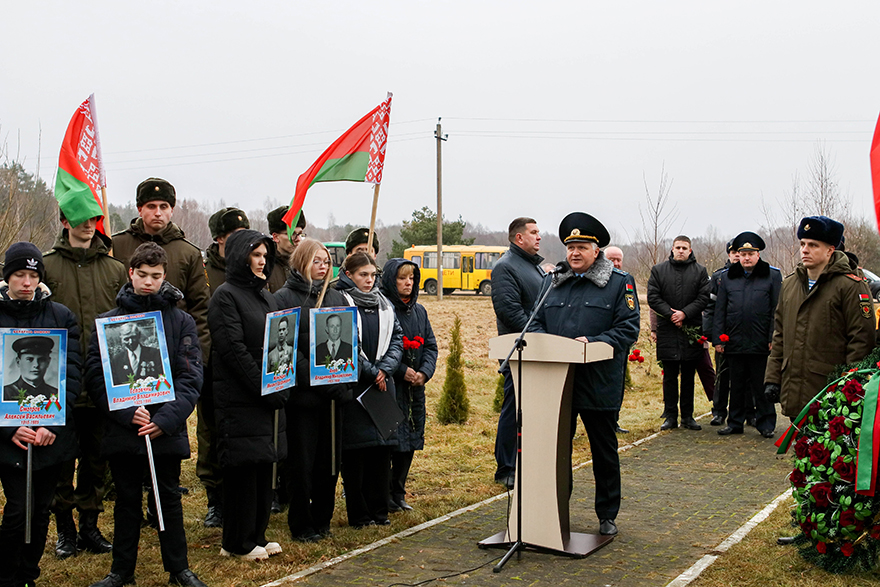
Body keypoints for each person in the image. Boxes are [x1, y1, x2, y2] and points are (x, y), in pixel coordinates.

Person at [85, 243, 206, 587]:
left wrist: (166, 420)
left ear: (164, 276)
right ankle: (121, 571)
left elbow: (190, 375)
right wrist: (126, 413)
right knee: (126, 499)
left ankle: (178, 568)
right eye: (142, 275)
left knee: (167, 495)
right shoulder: (108, 323)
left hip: (163, 426)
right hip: (126, 427)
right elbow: (97, 376)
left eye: (156, 276)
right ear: (131, 274)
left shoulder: (180, 320)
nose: (149, 282)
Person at [530, 213, 640, 537]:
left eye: (582, 247)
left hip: (598, 383)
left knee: (602, 451)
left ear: (596, 250)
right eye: (570, 247)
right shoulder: (552, 281)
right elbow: (534, 321)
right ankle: (554, 509)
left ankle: (607, 514)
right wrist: (544, 343)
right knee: (555, 451)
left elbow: (627, 329)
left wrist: (592, 343)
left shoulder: (620, 284)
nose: (574, 253)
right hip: (556, 384)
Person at [43, 211, 126, 558]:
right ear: (65, 221)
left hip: (101, 380)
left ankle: (90, 525)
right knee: (61, 458)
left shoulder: (115, 269)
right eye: (79, 218)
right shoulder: (47, 267)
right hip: (58, 380)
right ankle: (65, 527)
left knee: (96, 458)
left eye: (93, 218)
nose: (87, 224)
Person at [0, 241, 81, 587]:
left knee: (39, 510)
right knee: (18, 510)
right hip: (9, 438)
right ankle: (5, 576)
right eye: (19, 274)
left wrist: (53, 425)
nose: (27, 283)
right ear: (7, 277)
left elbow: (73, 374)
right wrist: (9, 430)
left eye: (33, 275)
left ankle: (29, 573)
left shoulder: (61, 316)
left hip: (50, 435)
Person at [208, 229, 287, 560]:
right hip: (238, 398)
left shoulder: (266, 296)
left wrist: (282, 377)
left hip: (265, 395)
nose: (261, 261)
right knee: (242, 469)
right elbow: (233, 350)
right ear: (241, 257)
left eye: (265, 256)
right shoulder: (225, 296)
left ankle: (257, 534)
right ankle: (237, 542)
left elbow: (277, 343)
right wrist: (262, 387)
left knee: (261, 466)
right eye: (256, 255)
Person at [273, 238, 354, 542]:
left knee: (328, 461)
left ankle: (323, 518)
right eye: (316, 261)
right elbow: (288, 350)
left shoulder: (336, 298)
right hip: (303, 398)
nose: (322, 267)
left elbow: (347, 343)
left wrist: (342, 382)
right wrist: (319, 379)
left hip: (333, 398)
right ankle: (301, 522)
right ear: (301, 261)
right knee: (301, 463)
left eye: (326, 262)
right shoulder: (284, 298)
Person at [765, 216, 875, 419]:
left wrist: (850, 387)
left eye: (813, 245)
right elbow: (780, 333)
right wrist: (773, 378)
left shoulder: (850, 286)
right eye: (802, 244)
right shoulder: (790, 285)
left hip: (829, 391)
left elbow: (861, 340)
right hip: (794, 387)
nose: (804, 250)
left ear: (830, 250)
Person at [336, 252, 403, 527]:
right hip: (355, 387)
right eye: (363, 275)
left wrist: (385, 368)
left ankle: (380, 510)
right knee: (356, 456)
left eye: (373, 275)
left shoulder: (385, 303)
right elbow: (344, 341)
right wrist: (371, 371)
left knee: (380, 453)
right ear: (349, 274)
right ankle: (360, 514)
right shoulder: (340, 301)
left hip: (382, 386)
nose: (369, 280)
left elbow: (397, 337)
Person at [198, 206, 249, 528]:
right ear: (218, 239)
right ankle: (214, 499)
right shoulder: (203, 272)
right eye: (233, 237)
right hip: (209, 365)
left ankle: (241, 493)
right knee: (210, 432)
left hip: (243, 366)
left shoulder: (249, 273)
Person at [490, 217, 545, 489]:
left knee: (530, 410)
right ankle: (506, 467)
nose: (539, 237)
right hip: (518, 350)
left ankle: (527, 461)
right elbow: (510, 311)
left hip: (539, 350)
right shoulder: (505, 267)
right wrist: (539, 332)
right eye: (534, 232)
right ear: (518, 238)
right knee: (514, 407)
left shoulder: (535, 268)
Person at [380, 258, 438, 512]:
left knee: (411, 439)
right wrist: (402, 370)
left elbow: (431, 346)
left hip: (415, 388)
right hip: (393, 385)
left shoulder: (420, 311)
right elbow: (381, 349)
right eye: (402, 278)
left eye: (411, 278)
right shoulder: (385, 310)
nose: (408, 283)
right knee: (393, 440)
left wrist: (424, 373)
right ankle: (385, 493)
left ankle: (399, 490)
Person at [712, 232, 782, 438]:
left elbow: (776, 310)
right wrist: (718, 338)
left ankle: (766, 423)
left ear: (758, 254)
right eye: (742, 254)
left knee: (761, 386)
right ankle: (734, 422)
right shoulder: (728, 277)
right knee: (737, 385)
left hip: (761, 342)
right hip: (734, 341)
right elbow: (720, 311)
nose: (746, 258)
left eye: (750, 253)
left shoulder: (772, 276)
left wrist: (772, 338)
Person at [647, 236, 710, 432]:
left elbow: (704, 298)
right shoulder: (658, 271)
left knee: (689, 375)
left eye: (684, 248)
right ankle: (670, 416)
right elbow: (653, 297)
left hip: (691, 329)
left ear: (690, 251)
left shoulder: (700, 271)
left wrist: (685, 313)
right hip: (668, 330)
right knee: (670, 376)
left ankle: (688, 417)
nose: (681, 251)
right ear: (672, 249)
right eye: (678, 247)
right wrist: (671, 314)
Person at [702, 241, 741, 427]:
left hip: (747, 336)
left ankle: (750, 411)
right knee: (722, 376)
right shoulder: (718, 277)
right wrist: (713, 336)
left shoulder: (754, 275)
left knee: (746, 377)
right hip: (724, 336)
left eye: (739, 252)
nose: (736, 256)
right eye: (733, 252)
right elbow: (710, 309)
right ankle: (718, 412)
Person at [603, 245, 632, 435]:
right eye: (611, 259)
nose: (615, 263)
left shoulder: (625, 281)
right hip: (600, 343)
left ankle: (615, 419)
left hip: (619, 343)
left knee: (618, 385)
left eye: (618, 259)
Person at [204, 207, 249, 295]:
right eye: (237, 234)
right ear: (220, 238)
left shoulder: (252, 268)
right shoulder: (204, 273)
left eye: (245, 233)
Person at [108, 322, 163, 386]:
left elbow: (163, 379)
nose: (130, 342)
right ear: (121, 339)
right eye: (126, 339)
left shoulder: (155, 354)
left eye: (133, 337)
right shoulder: (116, 360)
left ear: (139, 335)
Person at [266, 206, 306, 293]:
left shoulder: (306, 264)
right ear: (276, 237)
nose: (298, 239)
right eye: (292, 234)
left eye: (300, 234)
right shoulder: (265, 266)